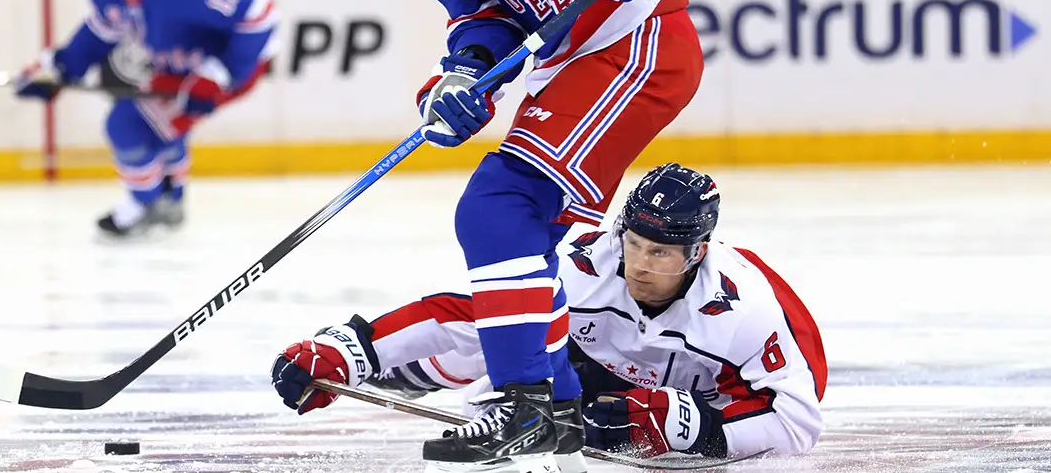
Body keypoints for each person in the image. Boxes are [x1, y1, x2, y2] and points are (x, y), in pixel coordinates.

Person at [279, 0, 706, 471]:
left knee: (496, 206)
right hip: (576, 60)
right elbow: (482, 14)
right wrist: (465, 76)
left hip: (637, 37)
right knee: (527, 236)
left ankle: (525, 401)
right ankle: (560, 400)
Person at [271, 165, 827, 472]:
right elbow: (472, 313)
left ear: (699, 252)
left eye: (660, 253)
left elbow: (798, 419)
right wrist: (350, 352)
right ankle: (398, 372)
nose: (638, 264)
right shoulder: (589, 264)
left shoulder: (745, 306)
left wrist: (700, 434)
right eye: (634, 243)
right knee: (507, 343)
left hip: (690, 392)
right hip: (594, 359)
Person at [13, 0, 277, 237]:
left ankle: (146, 205)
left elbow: (260, 14)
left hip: (233, 65)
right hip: (177, 67)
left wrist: (218, 75)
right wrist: (61, 67)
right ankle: (170, 200)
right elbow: (106, 26)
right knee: (161, 123)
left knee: (127, 124)